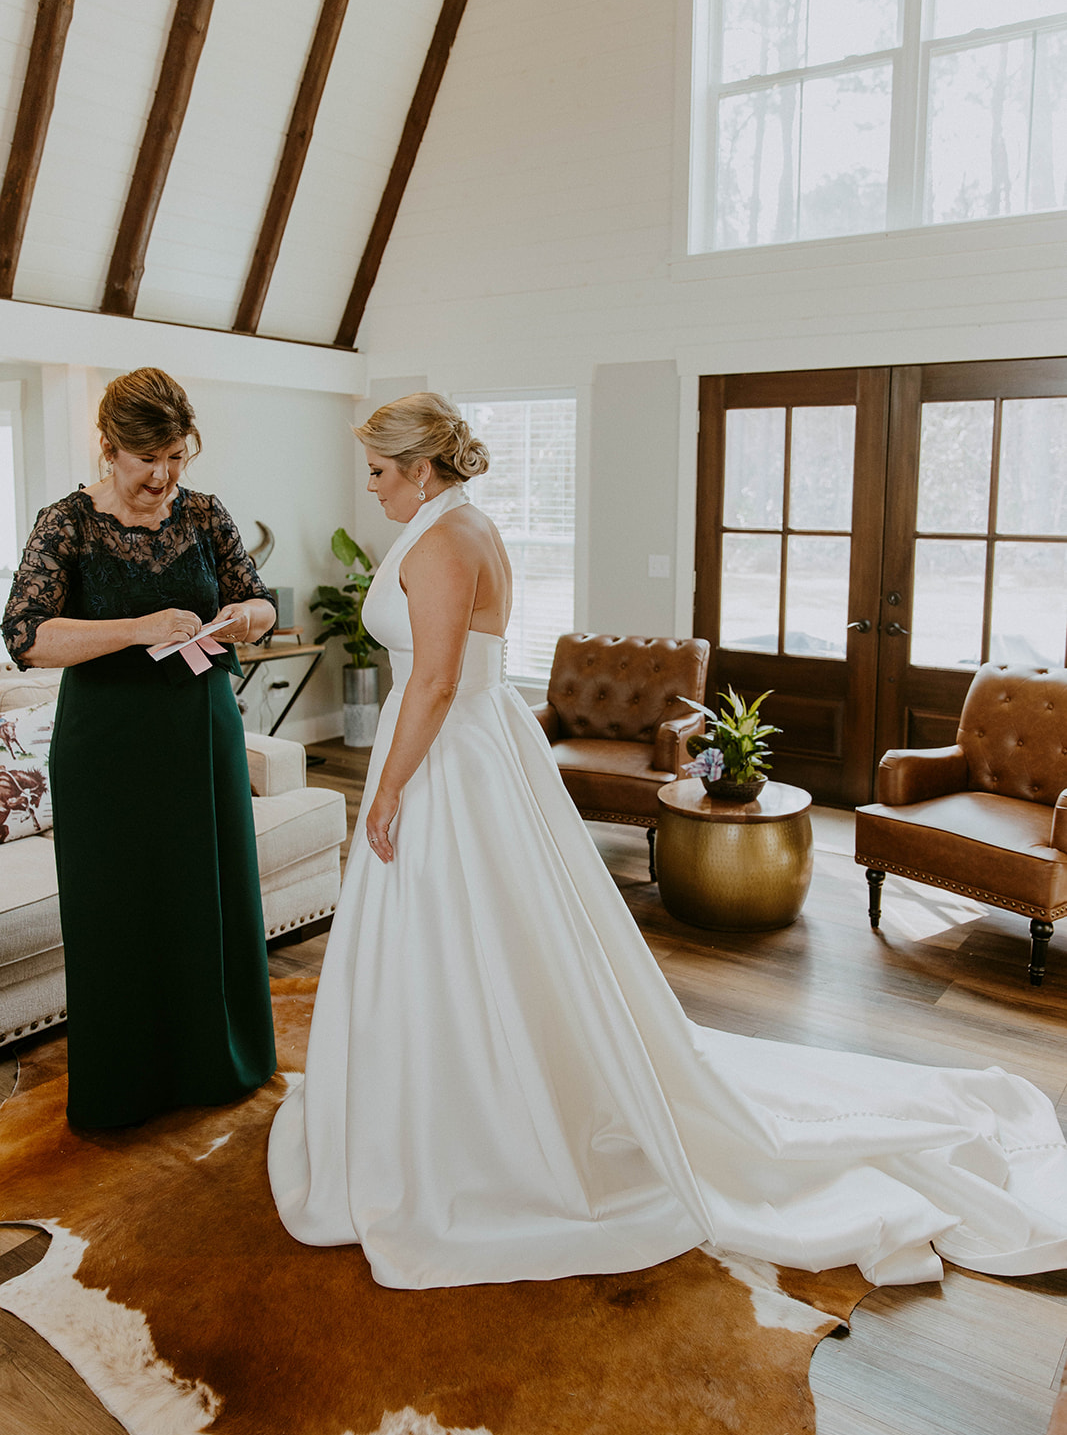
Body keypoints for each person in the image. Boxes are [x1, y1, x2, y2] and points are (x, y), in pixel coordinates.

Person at [268, 392, 1067, 1290]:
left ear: (419, 468)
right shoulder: (460, 524)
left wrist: (387, 789)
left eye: (377, 473)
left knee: (466, 918)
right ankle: (439, 1077)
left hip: (446, 754)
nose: (369, 490)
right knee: (482, 925)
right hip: (468, 747)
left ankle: (477, 1108)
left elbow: (438, 680)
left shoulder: (449, 538)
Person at [1, 367, 278, 1129]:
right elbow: (26, 637)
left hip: (200, 734)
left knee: (207, 896)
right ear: (107, 447)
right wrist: (137, 627)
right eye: (146, 458)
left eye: (176, 458)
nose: (162, 477)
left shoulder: (203, 514)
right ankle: (126, 1086)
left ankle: (218, 1064)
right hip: (107, 747)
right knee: (116, 909)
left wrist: (246, 617)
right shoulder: (68, 523)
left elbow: (261, 597)